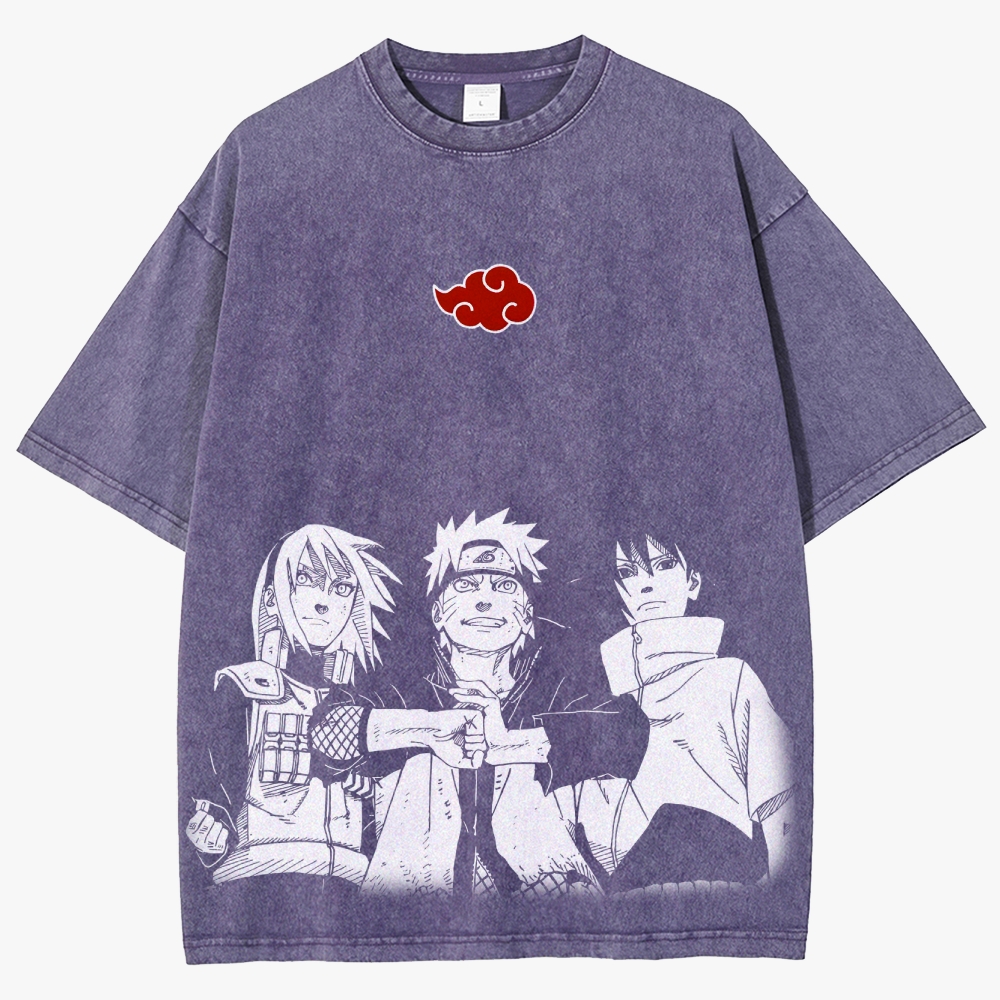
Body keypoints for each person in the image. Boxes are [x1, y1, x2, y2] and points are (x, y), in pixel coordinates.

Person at [312, 509, 651, 899]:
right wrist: (430, 731)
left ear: (527, 615)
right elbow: (321, 735)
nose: (485, 601)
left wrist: (508, 743)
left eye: (504, 586)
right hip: (414, 908)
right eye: (466, 584)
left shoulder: (554, 691)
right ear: (438, 613)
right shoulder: (405, 694)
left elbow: (629, 735)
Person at [184, 523, 478, 889]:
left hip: (352, 882)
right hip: (261, 877)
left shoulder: (359, 700)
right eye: (306, 579)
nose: (323, 602)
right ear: (273, 598)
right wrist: (210, 831)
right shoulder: (243, 687)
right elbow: (210, 784)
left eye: (341, 588)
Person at [558, 530, 795, 891]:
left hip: (713, 867)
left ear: (693, 582)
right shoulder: (603, 697)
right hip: (620, 883)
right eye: (629, 572)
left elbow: (777, 792)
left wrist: (776, 891)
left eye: (665, 565)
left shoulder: (729, 677)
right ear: (619, 595)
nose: (646, 584)